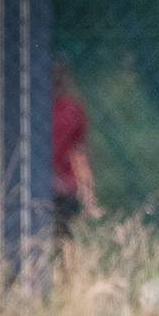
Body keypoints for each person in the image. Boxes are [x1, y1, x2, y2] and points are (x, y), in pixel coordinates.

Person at [52, 63, 102, 247]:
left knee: (64, 241)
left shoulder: (72, 110)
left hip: (66, 189)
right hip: (38, 185)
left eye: (60, 78)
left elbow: (80, 152)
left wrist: (87, 190)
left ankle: (65, 272)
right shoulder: (31, 110)